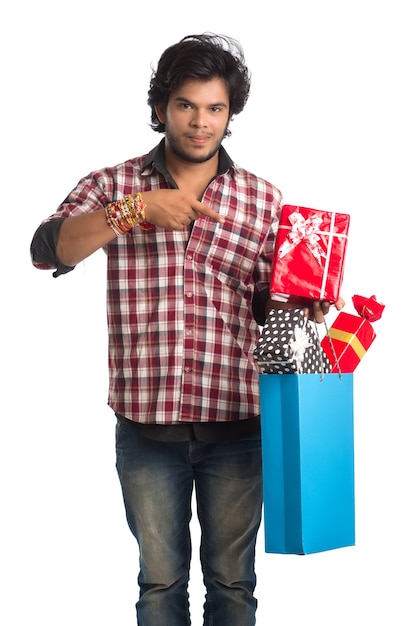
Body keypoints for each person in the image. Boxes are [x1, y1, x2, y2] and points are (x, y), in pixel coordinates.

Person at [30, 33, 342, 626]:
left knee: (233, 586)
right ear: (160, 109)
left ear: (231, 115)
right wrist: (137, 210)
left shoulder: (262, 198)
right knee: (159, 585)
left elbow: (267, 306)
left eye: (215, 108)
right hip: (147, 429)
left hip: (239, 428)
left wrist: (305, 309)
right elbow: (47, 251)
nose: (201, 123)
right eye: (186, 106)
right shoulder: (115, 184)